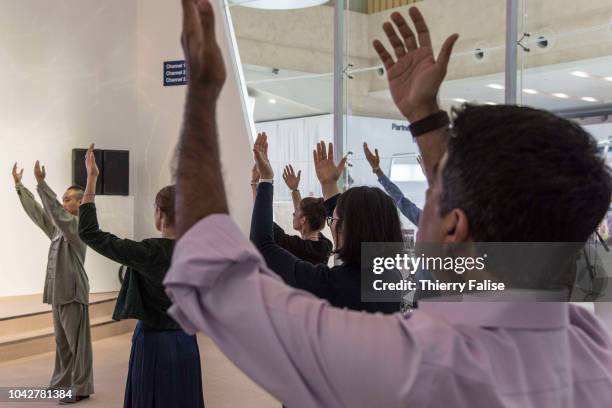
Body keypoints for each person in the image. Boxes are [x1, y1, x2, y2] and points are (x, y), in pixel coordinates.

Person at [164, 1, 612, 407]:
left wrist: (201, 95)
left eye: (433, 192)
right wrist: (424, 117)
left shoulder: (414, 369)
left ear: (455, 228)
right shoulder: (592, 351)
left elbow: (219, 280)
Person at [78, 145, 204, 408]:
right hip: (187, 342)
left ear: (159, 212)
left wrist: (91, 179)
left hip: (153, 344)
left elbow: (90, 233)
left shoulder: (147, 252)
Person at [250, 132, 402, 313]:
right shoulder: (398, 282)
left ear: (347, 229)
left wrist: (265, 180)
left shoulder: (332, 285)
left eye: (334, 219)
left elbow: (263, 245)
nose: (330, 221)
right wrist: (329, 184)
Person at [12, 161, 93, 404]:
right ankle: (60, 384)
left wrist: (41, 183)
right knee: (62, 344)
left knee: (78, 345)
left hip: (74, 293)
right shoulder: (60, 229)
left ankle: (81, 388)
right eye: (64, 198)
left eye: (68, 199)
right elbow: (40, 214)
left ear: (80, 203)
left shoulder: (78, 226)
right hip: (59, 293)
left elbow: (55, 212)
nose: (63, 202)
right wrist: (20, 187)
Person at [250, 161, 332, 265]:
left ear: (303, 220)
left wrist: (255, 184)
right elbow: (306, 213)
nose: (293, 214)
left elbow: (261, 217)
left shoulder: (294, 246)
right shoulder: (326, 246)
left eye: (296, 211)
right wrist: (294, 189)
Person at [363, 142, 421, 226]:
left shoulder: (429, 221)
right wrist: (378, 170)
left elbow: (401, 201)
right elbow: (401, 201)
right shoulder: (426, 219)